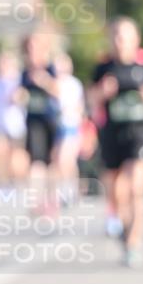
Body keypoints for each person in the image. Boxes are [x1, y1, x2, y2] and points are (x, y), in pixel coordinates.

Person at [89, 17, 143, 266]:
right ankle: (123, 229)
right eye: (116, 36)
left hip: (140, 134)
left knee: (135, 188)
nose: (120, 42)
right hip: (112, 136)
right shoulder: (103, 68)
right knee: (117, 193)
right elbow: (90, 99)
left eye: (125, 37)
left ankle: (133, 244)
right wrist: (101, 92)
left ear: (135, 39)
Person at [19, 33, 61, 211]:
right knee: (36, 161)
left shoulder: (50, 68)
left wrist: (44, 81)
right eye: (29, 49)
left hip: (50, 120)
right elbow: (20, 94)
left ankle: (52, 199)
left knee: (52, 162)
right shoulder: (24, 73)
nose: (32, 52)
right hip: (33, 122)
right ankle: (36, 201)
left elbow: (58, 91)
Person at [0, 50, 28, 194]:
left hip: (15, 126)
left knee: (15, 158)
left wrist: (18, 95)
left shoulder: (19, 80)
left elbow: (24, 97)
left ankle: (17, 184)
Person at [52, 52, 85, 203]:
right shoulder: (55, 82)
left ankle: (70, 188)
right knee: (59, 159)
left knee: (66, 158)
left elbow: (78, 106)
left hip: (71, 126)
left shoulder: (72, 84)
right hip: (58, 126)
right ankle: (67, 188)